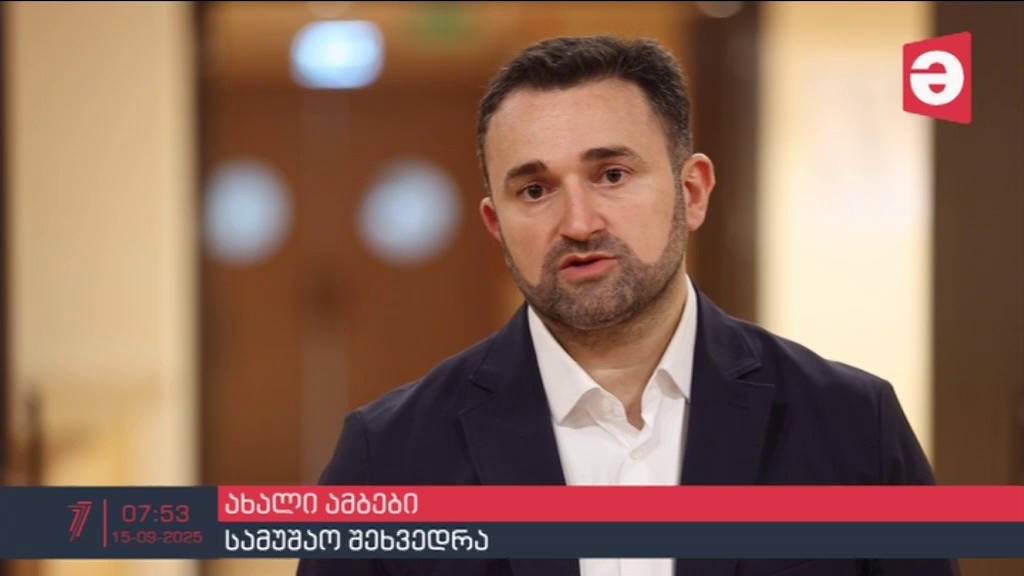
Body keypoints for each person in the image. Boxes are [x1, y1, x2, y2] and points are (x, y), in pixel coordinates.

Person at [298, 36, 957, 576]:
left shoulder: (852, 427)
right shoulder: (386, 459)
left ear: (692, 191)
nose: (578, 222)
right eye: (535, 191)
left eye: (612, 175)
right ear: (496, 225)